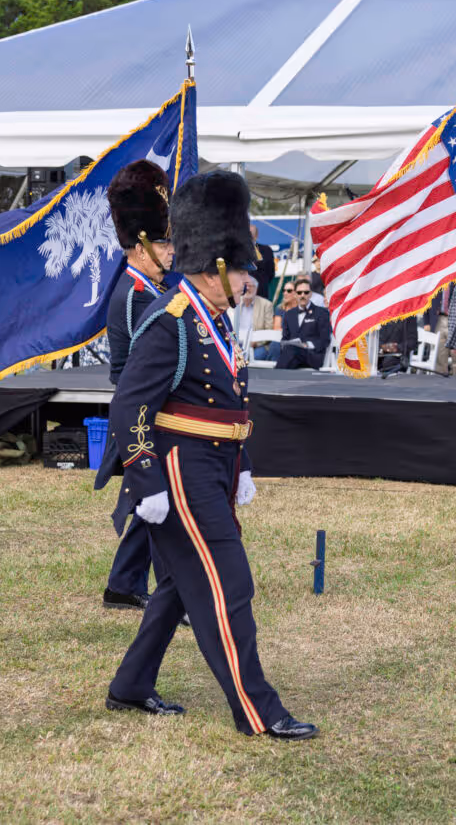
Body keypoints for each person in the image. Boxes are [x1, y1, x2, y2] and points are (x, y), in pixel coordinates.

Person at [104, 170, 317, 740]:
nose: (249, 281)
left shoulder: (212, 317)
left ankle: (129, 685)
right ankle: (258, 711)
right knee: (229, 583)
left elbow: (227, 401)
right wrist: (146, 478)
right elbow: (131, 407)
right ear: (217, 265)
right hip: (177, 470)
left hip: (212, 466)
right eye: (243, 269)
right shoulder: (171, 320)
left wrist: (239, 464)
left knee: (180, 588)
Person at [96, 161, 176, 615]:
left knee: (153, 501)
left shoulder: (150, 288)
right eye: (163, 241)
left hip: (150, 406)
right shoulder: (136, 295)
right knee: (160, 500)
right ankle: (168, 590)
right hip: (144, 410)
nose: (170, 250)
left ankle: (124, 583)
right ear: (141, 245)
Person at [275, 277, 331, 370]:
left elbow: (325, 340)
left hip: (313, 356)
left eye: (306, 292)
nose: (302, 295)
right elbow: (285, 337)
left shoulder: (321, 313)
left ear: (311, 294)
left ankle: (276, 376)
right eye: (299, 292)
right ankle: (279, 378)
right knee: (288, 350)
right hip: (292, 355)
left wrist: (307, 345)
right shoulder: (289, 314)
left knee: (290, 351)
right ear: (295, 294)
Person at [233, 274, 276, 361]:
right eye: (245, 285)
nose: (247, 288)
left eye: (251, 286)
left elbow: (269, 329)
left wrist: (255, 343)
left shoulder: (266, 305)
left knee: (253, 357)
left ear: (256, 289)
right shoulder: (235, 303)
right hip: (237, 343)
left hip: (257, 345)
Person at [250, 224, 276, 300]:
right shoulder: (238, 251)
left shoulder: (266, 250)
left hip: (261, 293)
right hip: (242, 294)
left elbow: (271, 272)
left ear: (256, 235)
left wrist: (261, 283)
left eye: (250, 234)